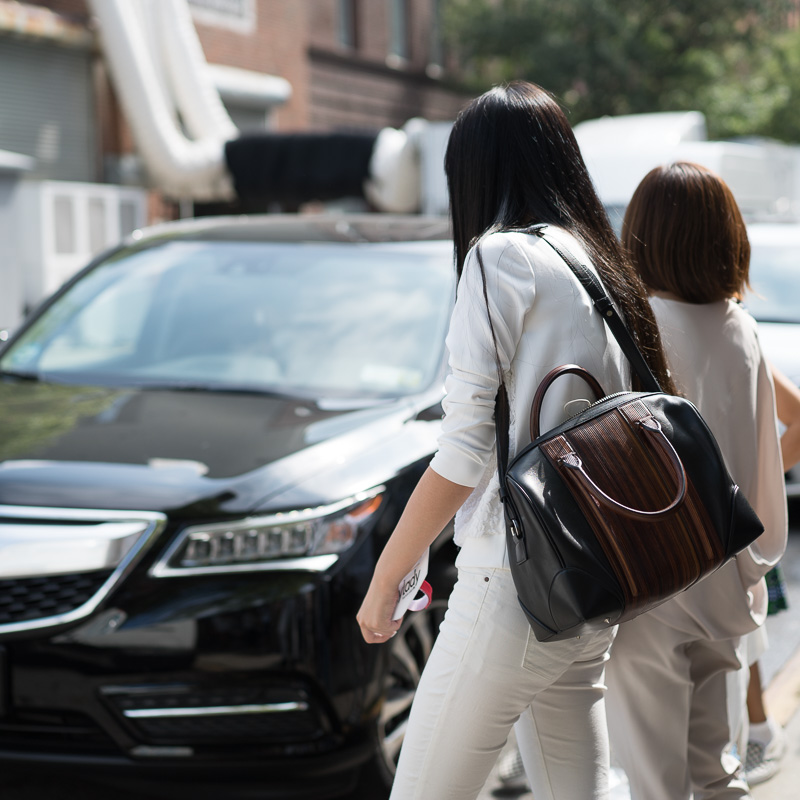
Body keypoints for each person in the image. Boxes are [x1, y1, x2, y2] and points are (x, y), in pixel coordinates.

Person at [356, 80, 676, 800]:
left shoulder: (498, 259)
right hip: (591, 575)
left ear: (473, 172)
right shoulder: (595, 260)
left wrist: (390, 576)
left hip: (514, 583)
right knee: (577, 790)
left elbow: (465, 448)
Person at [603, 162, 788, 800]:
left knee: (656, 783)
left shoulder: (635, 331)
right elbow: (765, 455)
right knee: (716, 770)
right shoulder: (742, 329)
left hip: (652, 587)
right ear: (727, 237)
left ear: (642, 236)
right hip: (727, 580)